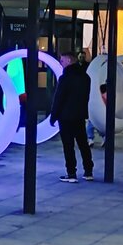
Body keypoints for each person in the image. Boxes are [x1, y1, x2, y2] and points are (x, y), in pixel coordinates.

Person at [49, 51, 95, 183]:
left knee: (68, 146)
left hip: (66, 116)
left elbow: (59, 98)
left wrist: (53, 116)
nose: (61, 63)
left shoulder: (65, 78)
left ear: (69, 61)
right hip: (79, 115)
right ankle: (88, 171)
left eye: (62, 61)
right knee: (83, 144)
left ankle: (71, 173)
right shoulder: (85, 77)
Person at [86, 83, 108, 148]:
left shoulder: (100, 97)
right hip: (103, 114)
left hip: (95, 113)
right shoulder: (107, 96)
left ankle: (90, 139)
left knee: (90, 126)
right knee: (99, 127)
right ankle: (104, 137)